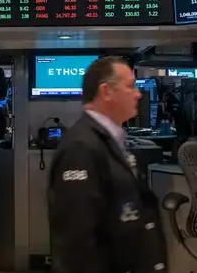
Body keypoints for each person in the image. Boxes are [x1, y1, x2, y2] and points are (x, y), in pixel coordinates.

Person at [48, 56, 167, 273]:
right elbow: (78, 244)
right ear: (106, 91)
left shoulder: (110, 140)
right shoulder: (81, 148)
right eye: (130, 86)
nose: (138, 94)